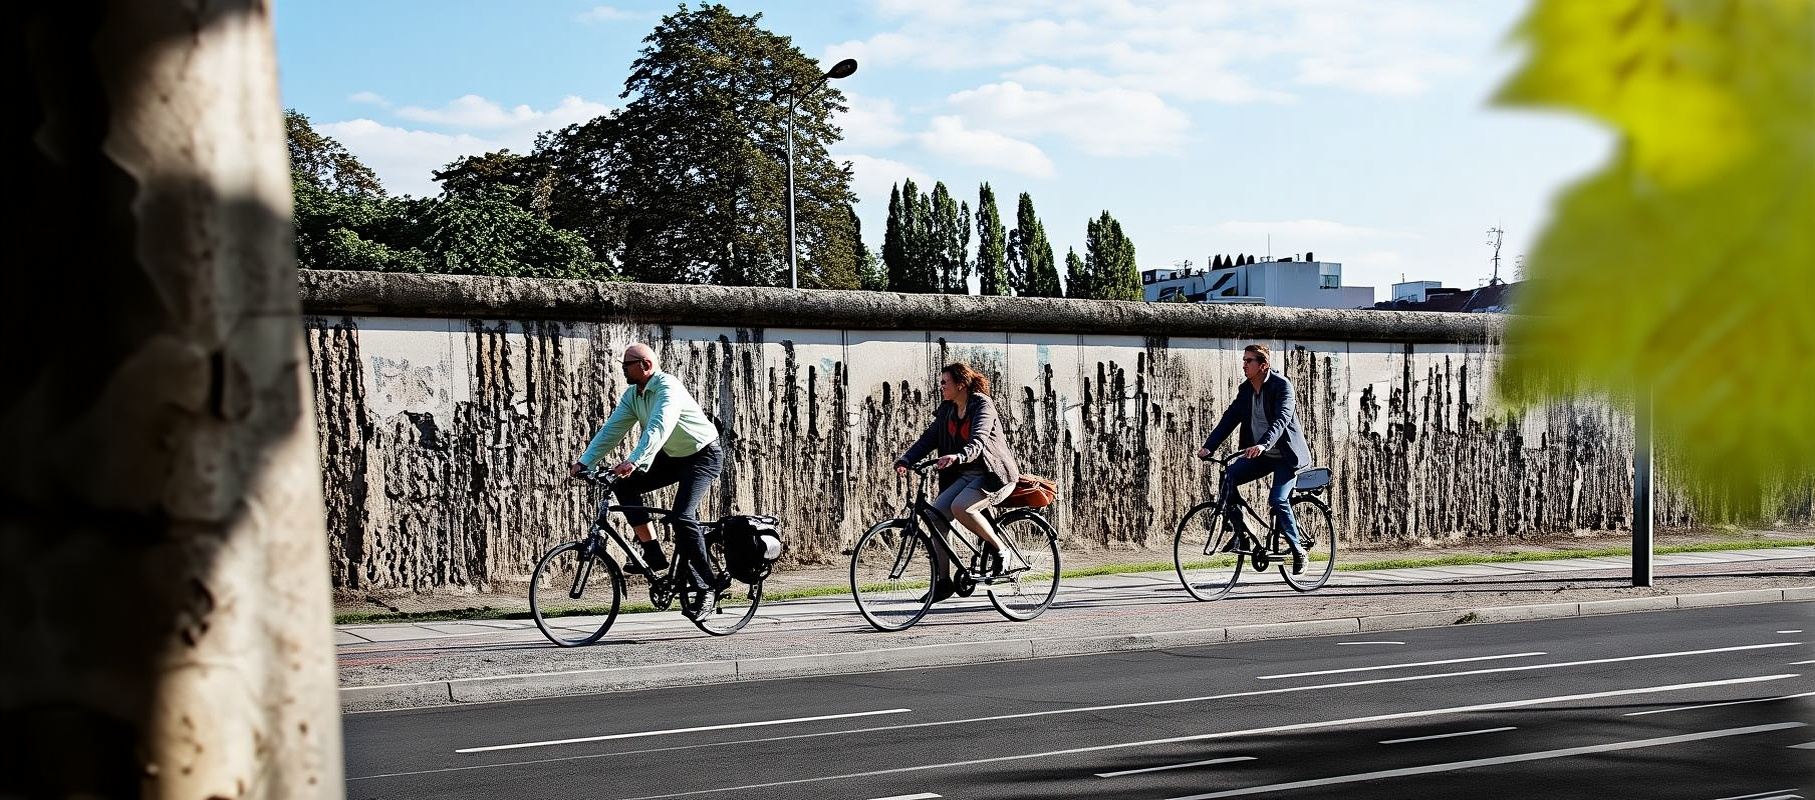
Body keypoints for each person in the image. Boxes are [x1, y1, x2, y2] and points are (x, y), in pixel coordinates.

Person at [569, 343, 725, 620]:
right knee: (624, 486)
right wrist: (585, 462)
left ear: (646, 365)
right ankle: (653, 553)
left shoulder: (668, 388)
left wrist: (634, 461)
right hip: (673, 456)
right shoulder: (634, 395)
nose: (623, 370)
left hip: (703, 456)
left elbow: (658, 428)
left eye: (626, 365)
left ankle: (706, 587)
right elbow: (612, 430)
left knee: (682, 516)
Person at [896, 362, 1023, 603]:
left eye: (945, 382)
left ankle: (1001, 549)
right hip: (965, 476)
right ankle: (943, 582)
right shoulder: (948, 410)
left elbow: (978, 441)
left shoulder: (982, 405)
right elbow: (929, 438)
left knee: (961, 507)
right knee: (935, 516)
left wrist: (958, 456)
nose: (941, 386)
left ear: (961, 384)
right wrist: (906, 459)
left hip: (994, 475)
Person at [1197, 344, 1314, 573]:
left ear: (1263, 365)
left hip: (1285, 456)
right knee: (1228, 477)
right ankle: (1242, 534)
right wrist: (1209, 446)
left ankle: (1298, 550)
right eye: (1243, 360)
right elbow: (1230, 418)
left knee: (1278, 500)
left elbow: (1281, 419)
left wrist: (1263, 444)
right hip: (1261, 455)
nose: (1244, 365)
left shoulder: (1282, 386)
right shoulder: (1246, 390)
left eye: (1249, 361)